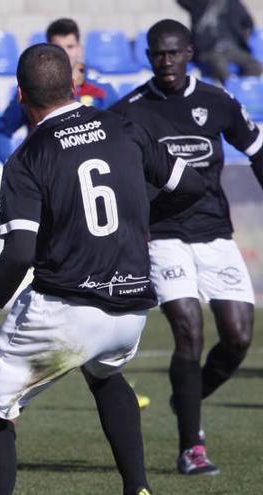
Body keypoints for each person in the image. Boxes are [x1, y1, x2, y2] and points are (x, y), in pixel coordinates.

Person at [0, 43, 205, 494]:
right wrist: (142, 220)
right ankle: (138, 489)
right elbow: (191, 184)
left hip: (64, 311)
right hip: (131, 309)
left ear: (21, 96)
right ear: (74, 85)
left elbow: (20, 252)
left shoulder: (27, 157)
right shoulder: (123, 127)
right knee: (104, 373)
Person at [110, 19, 263, 476]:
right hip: (165, 236)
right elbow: (109, 166)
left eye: (174, 52)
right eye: (158, 54)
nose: (167, 61)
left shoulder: (218, 102)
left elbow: (256, 151)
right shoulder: (131, 110)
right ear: (149, 57)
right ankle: (191, 448)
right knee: (188, 327)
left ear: (190, 52)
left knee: (237, 338)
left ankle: (187, 397)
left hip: (215, 233)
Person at [0, 18, 119, 165]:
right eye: (58, 47)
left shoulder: (102, 90)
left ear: (79, 49)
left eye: (70, 47)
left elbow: (119, 132)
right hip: (46, 171)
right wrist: (12, 165)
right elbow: (3, 133)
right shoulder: (32, 88)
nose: (65, 53)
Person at [178, 0, 262, 84]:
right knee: (221, 67)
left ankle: (243, 89)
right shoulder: (198, 3)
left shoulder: (233, 3)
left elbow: (248, 22)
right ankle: (228, 88)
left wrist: (244, 36)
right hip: (208, 51)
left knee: (255, 66)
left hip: (232, 48)